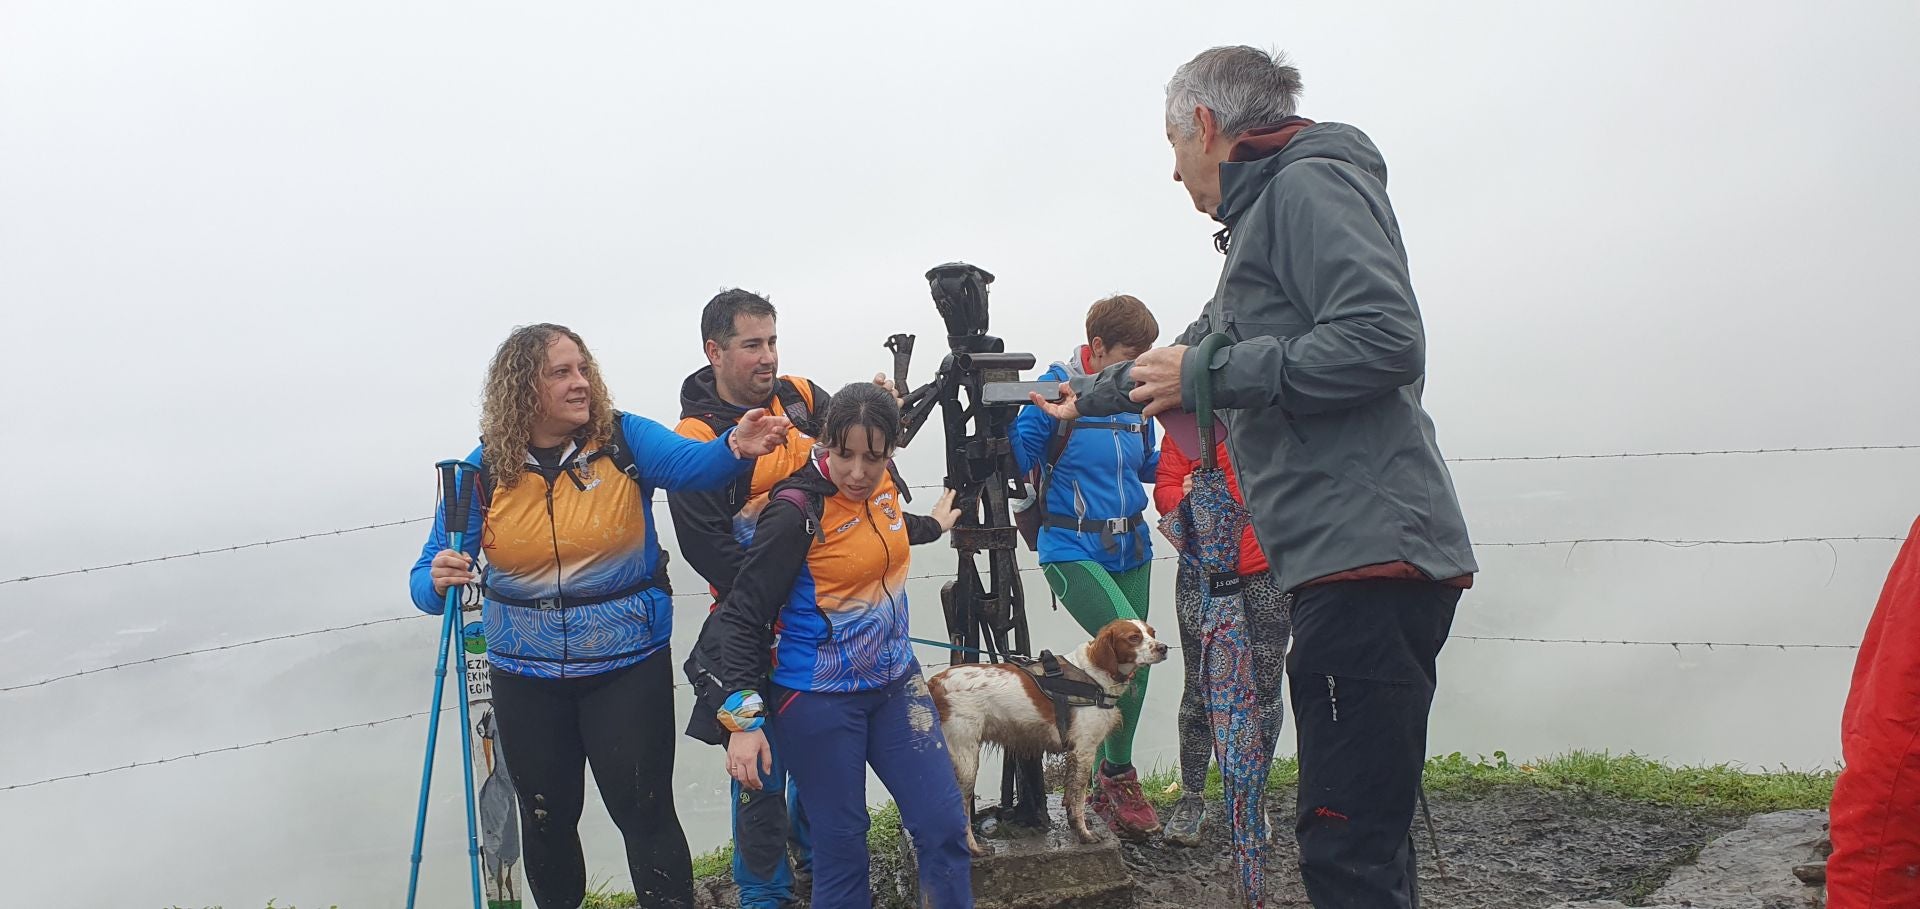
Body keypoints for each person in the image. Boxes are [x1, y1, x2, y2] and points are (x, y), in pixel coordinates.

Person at [1036, 47, 1477, 908]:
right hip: (1342, 557)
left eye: (1174, 146)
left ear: (1206, 125)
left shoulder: (1310, 188)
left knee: (1345, 840)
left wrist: (1214, 375)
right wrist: (1077, 397)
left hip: (1368, 555)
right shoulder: (1262, 225)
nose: (1174, 172)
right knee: (1364, 835)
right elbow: (1185, 357)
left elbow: (1386, 338)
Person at [409, 323, 791, 909]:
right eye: (561, 373)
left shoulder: (624, 440)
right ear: (522, 388)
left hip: (626, 668)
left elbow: (695, 467)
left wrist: (737, 447)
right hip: (525, 677)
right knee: (545, 821)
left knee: (646, 815)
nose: (580, 383)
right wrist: (437, 579)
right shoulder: (483, 471)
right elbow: (426, 581)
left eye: (583, 369)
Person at [687, 382, 972, 909]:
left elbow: (885, 528)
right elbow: (744, 618)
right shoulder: (794, 512)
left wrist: (934, 523)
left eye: (874, 455)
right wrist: (745, 725)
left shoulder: (882, 487)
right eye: (844, 454)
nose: (859, 472)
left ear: (891, 450)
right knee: (841, 849)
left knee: (943, 825)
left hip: (894, 686)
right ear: (824, 442)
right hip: (816, 698)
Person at [668, 289, 825, 908]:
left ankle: (818, 855)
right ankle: (763, 890)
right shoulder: (696, 435)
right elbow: (705, 546)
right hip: (749, 619)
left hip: (821, 612)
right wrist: (777, 591)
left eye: (773, 341)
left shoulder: (802, 397)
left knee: (821, 740)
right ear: (715, 351)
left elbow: (856, 459)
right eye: (752, 344)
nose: (768, 357)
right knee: (757, 759)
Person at [1009, 294, 1163, 840]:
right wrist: (1020, 423)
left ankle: (1107, 780)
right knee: (1132, 658)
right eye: (1129, 355)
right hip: (1070, 549)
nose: (1139, 366)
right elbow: (1017, 456)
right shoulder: (1056, 387)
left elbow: (1148, 464)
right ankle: (1115, 780)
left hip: (1133, 550)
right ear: (1097, 349)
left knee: (1131, 670)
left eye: (1146, 356)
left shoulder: (1136, 391)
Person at [1152, 436, 1292, 847]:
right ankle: (1192, 798)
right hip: (1202, 574)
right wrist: (1186, 494)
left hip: (1269, 569)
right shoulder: (1186, 427)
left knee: (1264, 688)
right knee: (1198, 688)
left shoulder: (1266, 419)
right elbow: (1164, 492)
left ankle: (1251, 798)